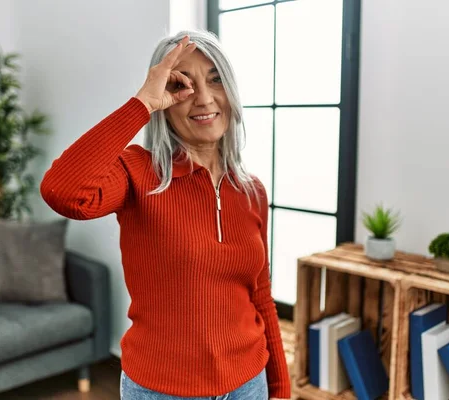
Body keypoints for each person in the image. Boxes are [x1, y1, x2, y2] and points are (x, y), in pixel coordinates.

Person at [40, 30, 291, 400]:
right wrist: (142, 103)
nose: (203, 99)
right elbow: (63, 192)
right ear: (166, 98)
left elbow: (261, 296)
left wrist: (280, 389)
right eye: (182, 84)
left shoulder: (251, 191)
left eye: (215, 79)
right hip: (162, 390)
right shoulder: (138, 173)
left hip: (248, 383)